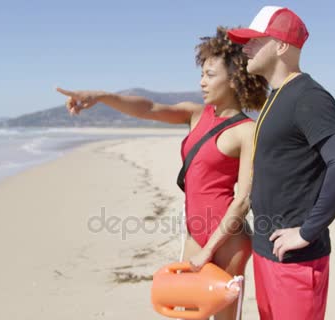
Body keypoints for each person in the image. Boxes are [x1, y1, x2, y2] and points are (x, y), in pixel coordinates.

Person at [56, 27, 268, 320]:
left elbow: (243, 201)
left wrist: (209, 250)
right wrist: (103, 97)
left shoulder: (247, 131)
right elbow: (150, 108)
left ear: (233, 80)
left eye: (209, 74)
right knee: (188, 313)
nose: (201, 82)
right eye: (202, 74)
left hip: (228, 241)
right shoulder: (196, 114)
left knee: (225, 317)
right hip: (196, 234)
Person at [227, 6, 335, 320]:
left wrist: (307, 231)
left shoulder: (309, 96)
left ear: (281, 45)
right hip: (269, 251)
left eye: (254, 40)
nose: (245, 48)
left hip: (296, 260)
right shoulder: (277, 96)